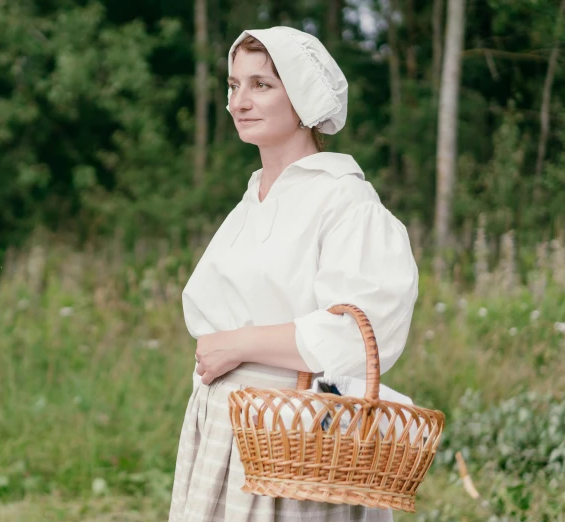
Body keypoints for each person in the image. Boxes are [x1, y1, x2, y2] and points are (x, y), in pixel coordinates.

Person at [168, 26, 419, 522]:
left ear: (303, 94)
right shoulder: (253, 199)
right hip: (223, 426)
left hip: (294, 437)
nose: (240, 100)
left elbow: (361, 332)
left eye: (262, 84)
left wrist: (239, 343)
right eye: (234, 85)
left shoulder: (344, 200)